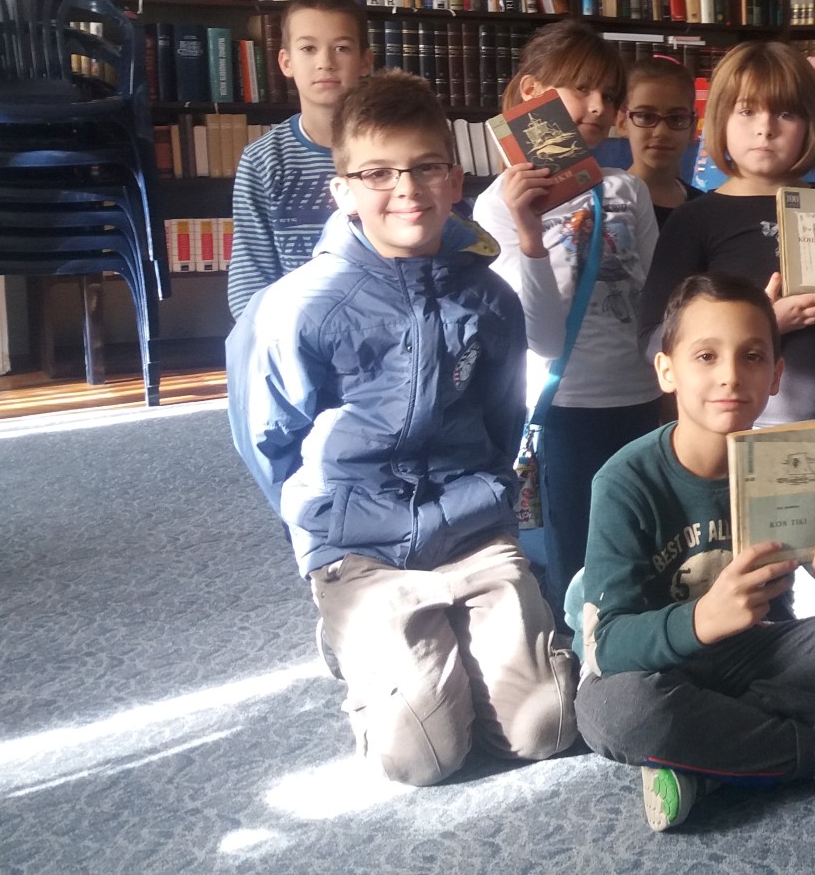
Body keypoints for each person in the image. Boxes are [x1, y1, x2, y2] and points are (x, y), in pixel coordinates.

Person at [226, 70, 576, 786]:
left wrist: (485, 506)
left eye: (425, 168)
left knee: (545, 729)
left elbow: (502, 419)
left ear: (455, 179)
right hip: (360, 546)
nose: (406, 189)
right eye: (377, 173)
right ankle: (351, 633)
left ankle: (467, 634)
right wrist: (322, 526)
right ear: (343, 190)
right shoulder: (298, 306)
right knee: (423, 757)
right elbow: (268, 438)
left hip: (471, 533)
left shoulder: (489, 298)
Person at [572, 271, 815, 831]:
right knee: (618, 715)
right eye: (705, 356)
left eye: (751, 356)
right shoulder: (625, 481)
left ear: (776, 375)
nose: (730, 376)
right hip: (655, 671)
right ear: (667, 371)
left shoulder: (782, 462)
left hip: (758, 658)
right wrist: (701, 619)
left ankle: (707, 757)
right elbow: (608, 645)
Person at [639, 41, 815, 585]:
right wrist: (763, 323)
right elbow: (654, 339)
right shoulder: (697, 219)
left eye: (785, 113)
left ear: (811, 125)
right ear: (721, 120)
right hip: (733, 437)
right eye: (746, 111)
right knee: (741, 584)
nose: (764, 129)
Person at [472, 20, 659, 636]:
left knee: (649, 543)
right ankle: (583, 665)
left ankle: (645, 656)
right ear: (533, 93)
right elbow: (543, 339)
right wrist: (530, 235)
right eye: (582, 89)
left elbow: (659, 306)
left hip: (645, 397)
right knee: (578, 559)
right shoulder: (496, 205)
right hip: (568, 408)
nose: (600, 107)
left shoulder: (627, 190)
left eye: (610, 94)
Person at [227, 0, 372, 318]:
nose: (325, 63)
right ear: (286, 62)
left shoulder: (394, 151)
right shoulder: (261, 161)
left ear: (365, 61)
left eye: (341, 48)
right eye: (308, 48)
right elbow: (248, 283)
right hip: (293, 327)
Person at [620, 56, 707, 227]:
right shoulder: (602, 203)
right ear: (622, 122)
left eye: (676, 118)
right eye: (646, 116)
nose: (661, 132)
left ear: (692, 127)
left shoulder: (705, 210)